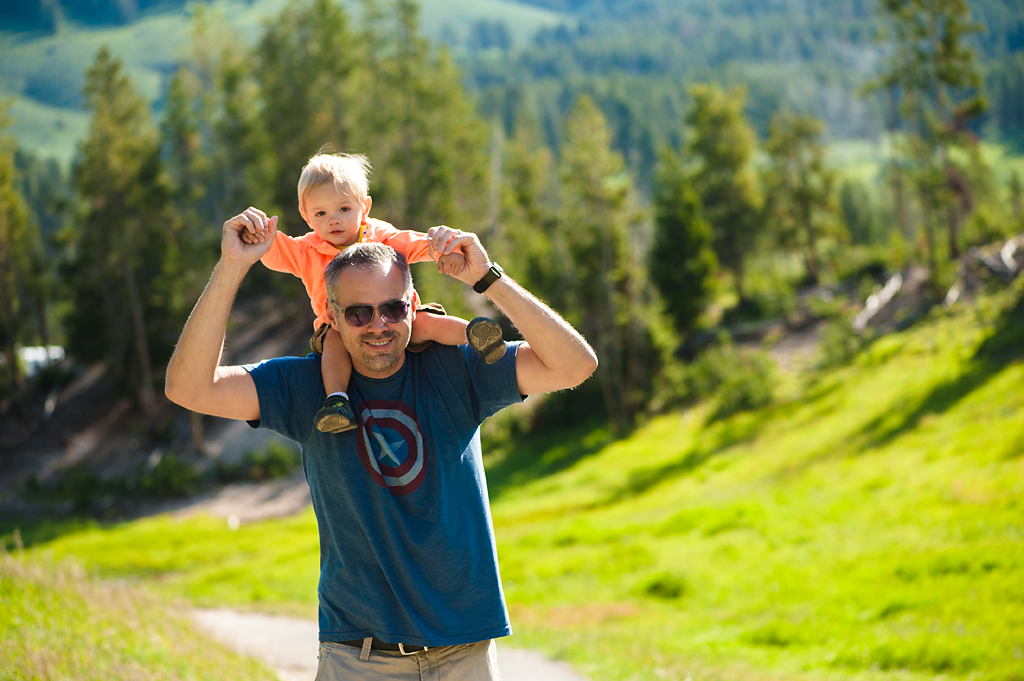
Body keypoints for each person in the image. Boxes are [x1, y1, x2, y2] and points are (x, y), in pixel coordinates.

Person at [164, 206, 598, 679]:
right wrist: (231, 267)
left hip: (464, 653)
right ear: (331, 315)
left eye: (393, 308)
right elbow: (189, 387)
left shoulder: (459, 367)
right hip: (357, 658)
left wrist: (488, 278)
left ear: (412, 306)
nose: (378, 325)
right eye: (359, 312)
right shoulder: (304, 386)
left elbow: (574, 365)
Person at [248, 152, 506, 435]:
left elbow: (416, 244)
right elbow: (274, 253)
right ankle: (337, 401)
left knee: (425, 324)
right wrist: (259, 235)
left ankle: (477, 336)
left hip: (394, 315)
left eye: (344, 209)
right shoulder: (305, 250)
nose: (333, 220)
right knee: (332, 345)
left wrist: (447, 247)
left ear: (364, 206)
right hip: (339, 325)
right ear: (305, 216)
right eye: (321, 213)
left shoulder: (379, 235)